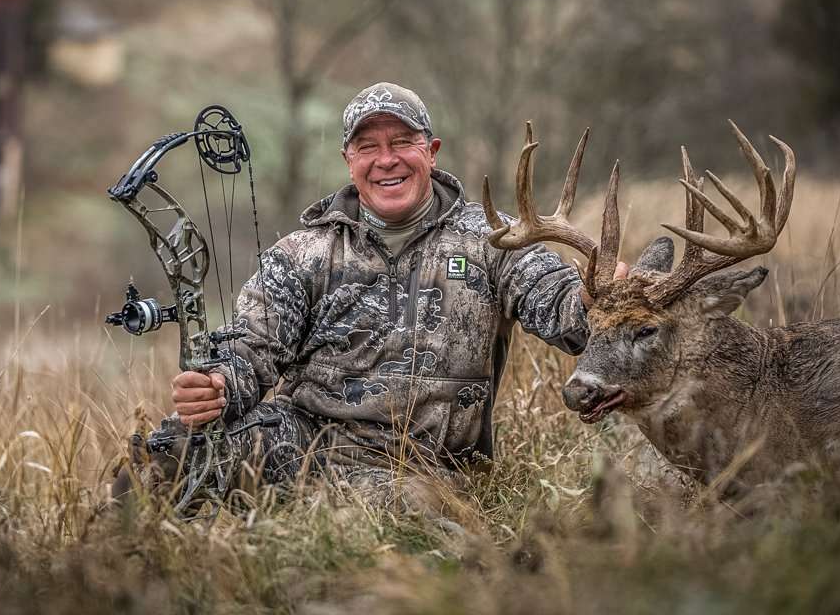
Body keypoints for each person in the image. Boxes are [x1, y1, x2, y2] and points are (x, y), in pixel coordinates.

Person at [123, 82, 603, 510]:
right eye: (367, 146)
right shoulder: (304, 253)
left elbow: (564, 307)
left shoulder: (494, 242)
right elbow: (251, 347)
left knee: (398, 510)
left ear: (431, 151)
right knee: (170, 454)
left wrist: (601, 296)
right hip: (305, 446)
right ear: (348, 161)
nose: (386, 159)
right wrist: (218, 386)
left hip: (426, 469)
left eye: (402, 143)